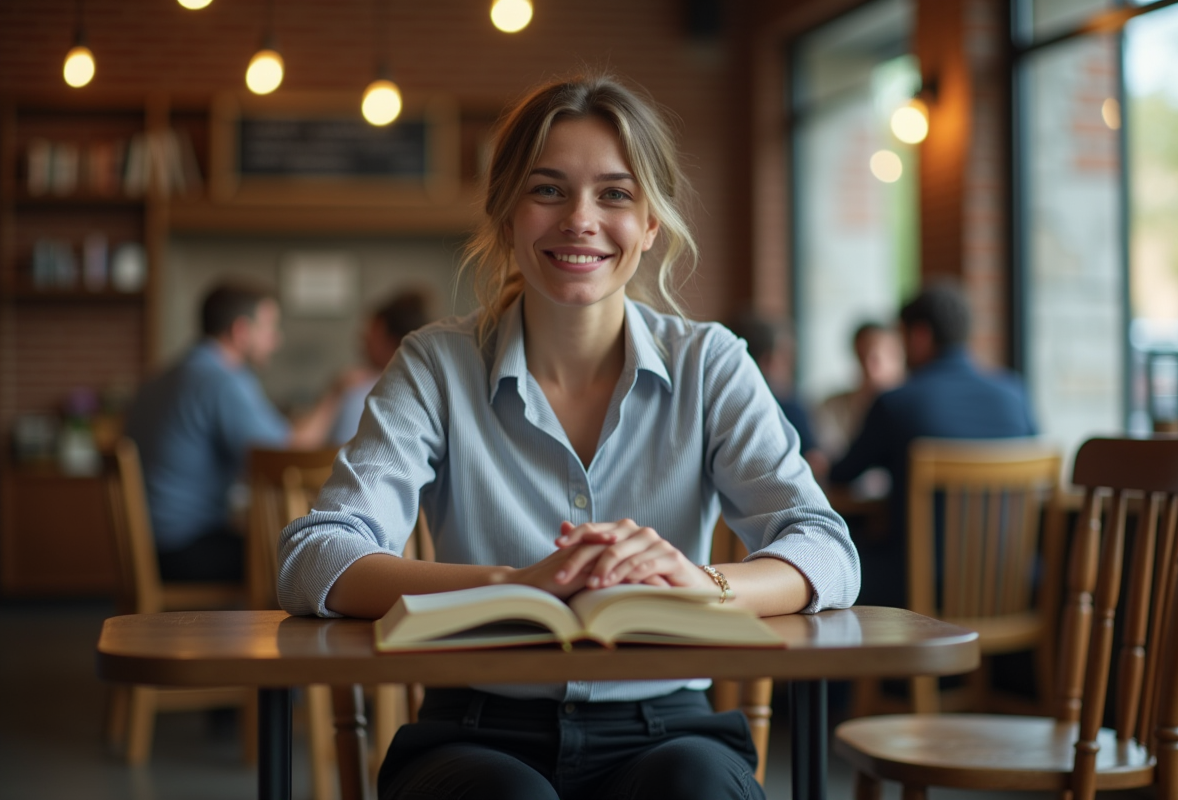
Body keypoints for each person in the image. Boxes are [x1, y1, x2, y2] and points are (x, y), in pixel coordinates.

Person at [278, 74, 859, 800]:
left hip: (672, 728)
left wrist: (702, 585)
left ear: (650, 224)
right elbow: (315, 556)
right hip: (475, 730)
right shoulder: (436, 362)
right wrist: (512, 589)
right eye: (548, 190)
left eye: (614, 194)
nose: (580, 219)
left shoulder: (710, 363)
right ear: (506, 212)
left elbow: (825, 547)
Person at [828, 280, 1037, 607]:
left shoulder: (896, 403)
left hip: (923, 587)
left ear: (920, 336)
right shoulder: (1015, 395)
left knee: (835, 565)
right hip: (1011, 584)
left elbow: (841, 475)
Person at [125, 282, 345, 583]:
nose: (275, 340)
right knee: (304, 557)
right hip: (184, 549)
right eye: (269, 328)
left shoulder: (167, 375)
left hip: (154, 544)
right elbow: (287, 455)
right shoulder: (221, 380)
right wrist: (335, 393)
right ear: (241, 331)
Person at [328, 288, 433, 445]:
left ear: (391, 340)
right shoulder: (433, 390)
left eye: (371, 332)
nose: (362, 339)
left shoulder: (357, 392)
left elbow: (335, 454)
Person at [726, 312, 821, 464]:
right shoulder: (789, 409)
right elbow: (816, 462)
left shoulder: (715, 404)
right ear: (767, 361)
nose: (789, 365)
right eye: (784, 356)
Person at [814, 321, 904, 462]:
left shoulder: (908, 410)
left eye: (876, 357)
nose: (868, 366)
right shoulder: (831, 407)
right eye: (862, 356)